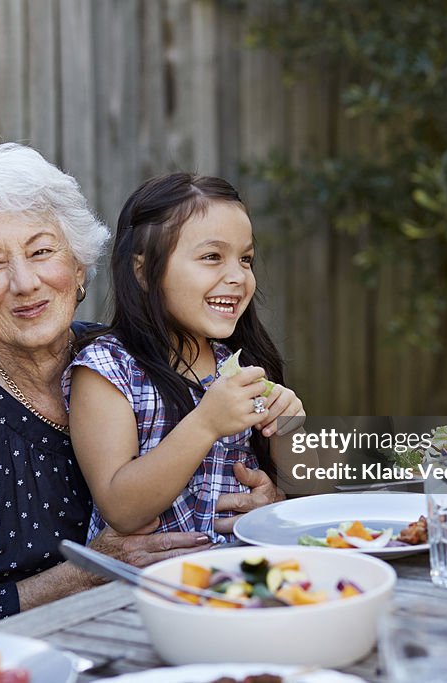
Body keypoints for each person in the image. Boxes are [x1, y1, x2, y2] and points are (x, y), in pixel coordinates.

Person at [0, 145, 282, 631]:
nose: (25, 282)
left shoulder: (134, 357)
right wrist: (85, 574)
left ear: (80, 264)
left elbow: (229, 465)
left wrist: (266, 508)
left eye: (42, 251)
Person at [65, 173, 307, 544]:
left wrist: (287, 427)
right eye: (212, 257)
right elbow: (121, 508)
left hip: (243, 575)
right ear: (143, 271)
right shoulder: (107, 369)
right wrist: (206, 423)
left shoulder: (237, 368)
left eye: (246, 259)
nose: (238, 276)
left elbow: (313, 497)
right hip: (146, 591)